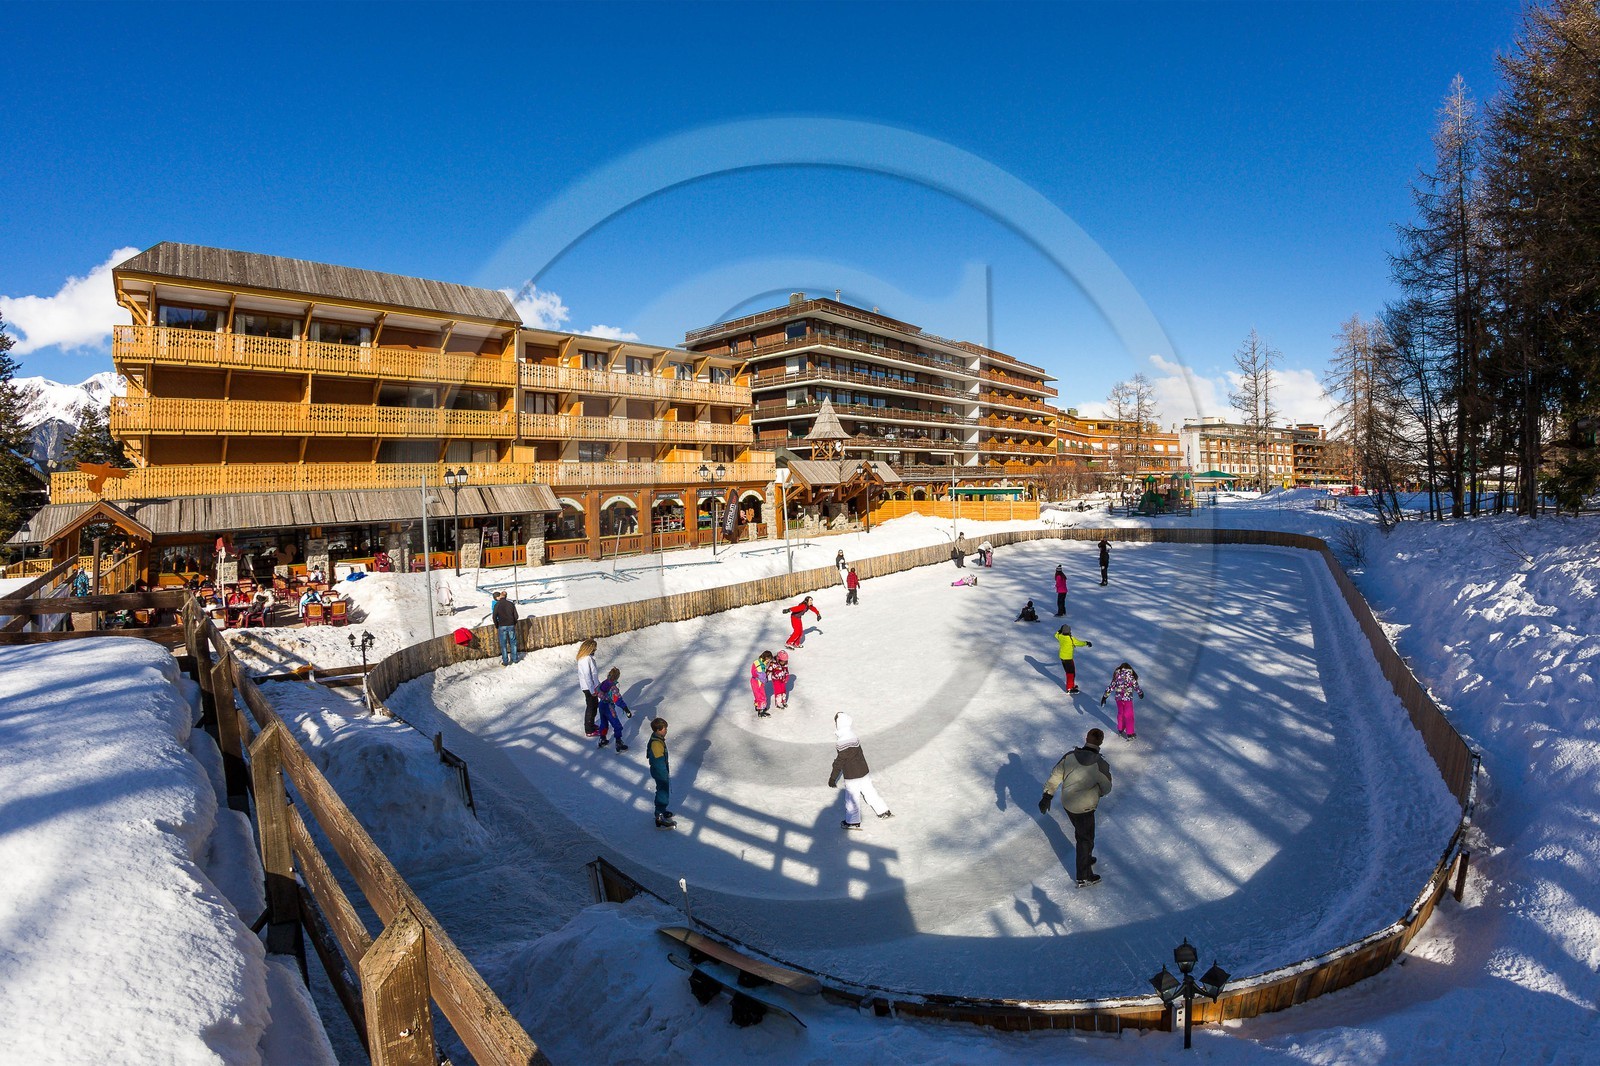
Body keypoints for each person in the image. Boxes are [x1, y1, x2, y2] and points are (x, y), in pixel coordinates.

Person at [1039, 728, 1114, 887]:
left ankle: (1086, 858)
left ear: (1086, 737)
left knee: (1082, 833)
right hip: (1085, 807)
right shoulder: (1100, 764)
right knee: (1085, 839)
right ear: (1101, 742)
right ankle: (1084, 876)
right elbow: (1107, 787)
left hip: (1068, 804)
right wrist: (1097, 792)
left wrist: (1047, 796)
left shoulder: (1069, 756)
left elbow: (1055, 776)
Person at [828, 712, 892, 829]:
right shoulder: (852, 735)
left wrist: (833, 777)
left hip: (852, 775)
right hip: (863, 771)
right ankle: (883, 811)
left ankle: (853, 821)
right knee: (870, 792)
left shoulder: (842, 741)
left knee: (852, 797)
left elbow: (840, 761)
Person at [1101, 662, 1145, 739]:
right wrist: (1140, 693)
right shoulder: (1130, 676)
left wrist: (1105, 696)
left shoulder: (1117, 675)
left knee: (1121, 713)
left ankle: (1120, 728)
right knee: (1129, 715)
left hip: (1119, 698)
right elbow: (1136, 685)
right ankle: (1130, 733)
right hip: (1127, 698)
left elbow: (1111, 686)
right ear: (1129, 668)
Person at [648, 718, 675, 830]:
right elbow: (658, 762)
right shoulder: (656, 744)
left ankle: (661, 811)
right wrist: (664, 774)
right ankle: (659, 816)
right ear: (659, 730)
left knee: (661, 790)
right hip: (660, 772)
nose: (666, 730)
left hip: (660, 771)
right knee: (663, 792)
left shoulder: (658, 738)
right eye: (665, 729)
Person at [596, 667, 631, 750]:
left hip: (601, 705)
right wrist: (626, 709)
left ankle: (602, 738)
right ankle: (618, 742)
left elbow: (597, 690)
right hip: (609, 707)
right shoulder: (613, 688)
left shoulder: (604, 682)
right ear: (617, 677)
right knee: (617, 725)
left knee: (603, 723)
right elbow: (618, 700)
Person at [1056, 624, 1092, 694]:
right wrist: (1087, 643)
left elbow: (1056, 634)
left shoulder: (1060, 636)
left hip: (1062, 657)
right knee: (1071, 673)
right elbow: (1079, 643)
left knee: (1069, 672)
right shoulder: (1071, 639)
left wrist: (1059, 631)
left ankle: (1071, 685)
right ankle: (1069, 688)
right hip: (1068, 658)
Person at [577, 638, 601, 736]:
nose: (595, 650)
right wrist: (592, 690)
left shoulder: (586, 658)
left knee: (594, 706)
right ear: (589, 648)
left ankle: (591, 724)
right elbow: (588, 675)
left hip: (592, 687)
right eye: (594, 649)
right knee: (591, 708)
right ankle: (589, 730)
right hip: (589, 688)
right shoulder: (585, 659)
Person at [492, 590, 519, 666]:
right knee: (513, 642)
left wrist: (497, 625)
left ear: (500, 596)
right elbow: (516, 616)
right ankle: (515, 659)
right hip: (511, 625)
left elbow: (494, 617)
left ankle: (505, 661)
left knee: (503, 644)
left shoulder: (497, 605)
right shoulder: (511, 604)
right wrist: (514, 623)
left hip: (502, 626)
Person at [749, 651, 774, 717]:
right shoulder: (761, 666)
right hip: (758, 682)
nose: (769, 661)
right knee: (761, 695)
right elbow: (762, 677)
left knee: (757, 695)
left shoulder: (757, 661)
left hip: (753, 680)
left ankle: (757, 706)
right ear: (766, 658)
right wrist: (766, 679)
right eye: (769, 659)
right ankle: (761, 710)